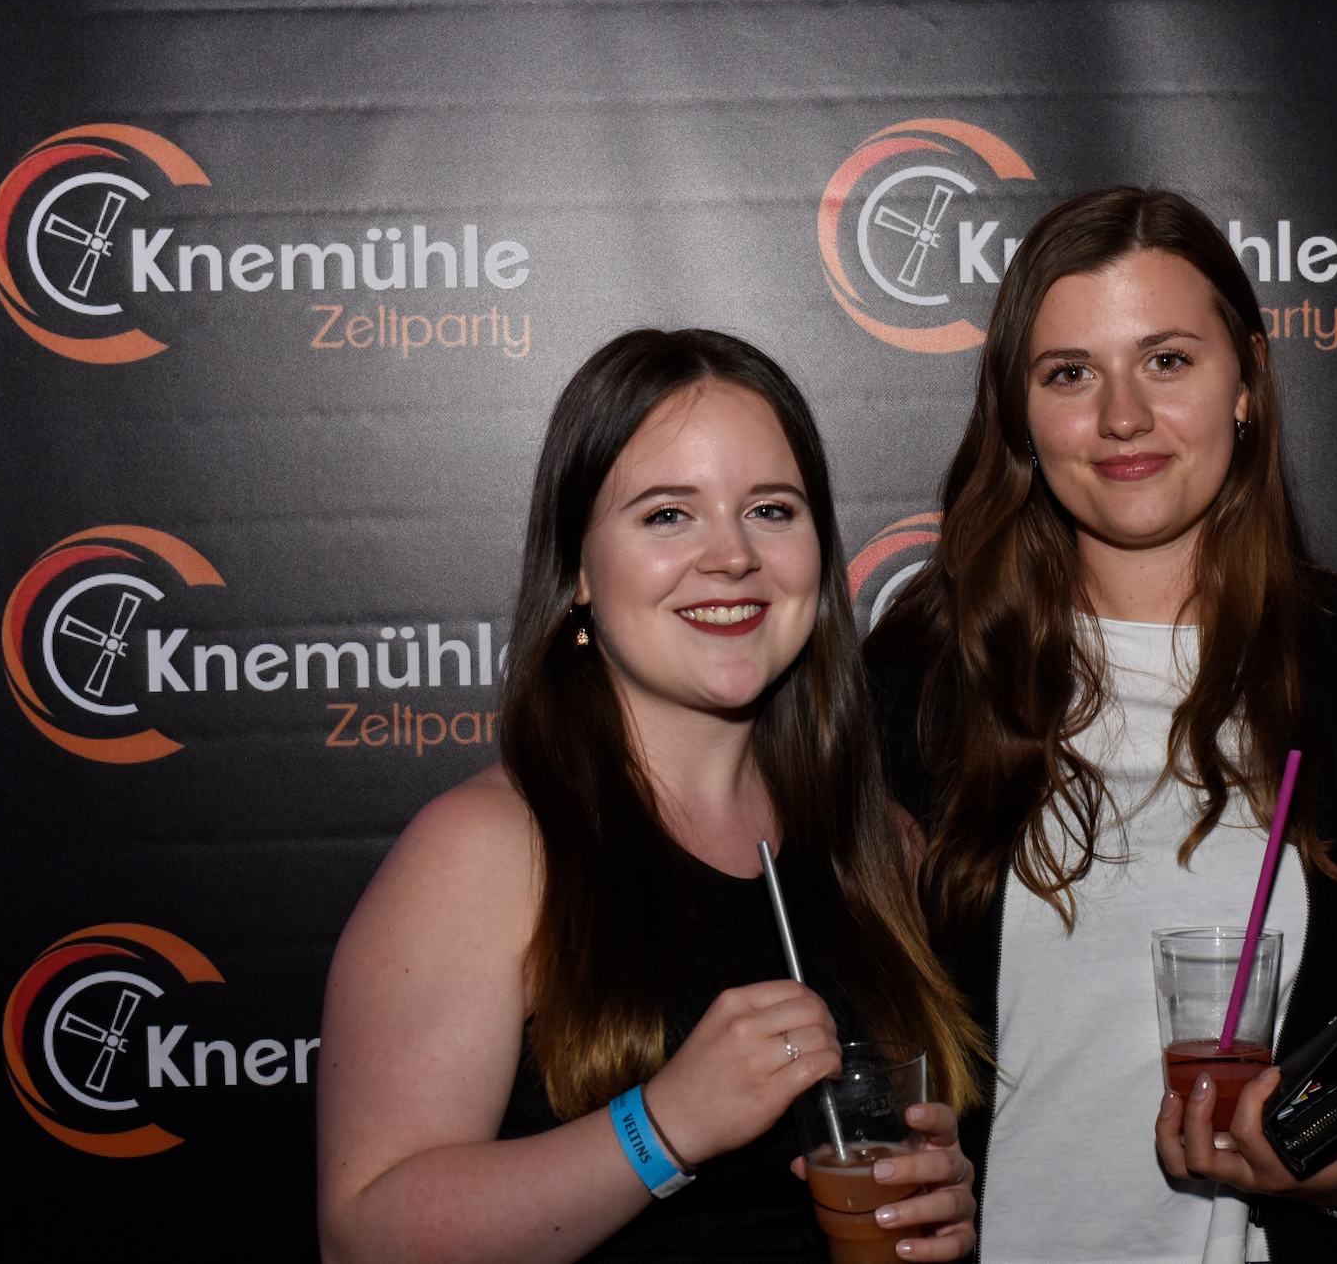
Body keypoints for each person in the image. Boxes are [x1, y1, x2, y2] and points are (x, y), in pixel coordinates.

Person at [864, 189, 1337, 1262]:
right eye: (1069, 373)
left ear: (1248, 382)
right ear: (1018, 416)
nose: (1122, 416)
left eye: (1167, 360)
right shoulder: (916, 685)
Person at [318, 329, 984, 1264]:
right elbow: (364, 1239)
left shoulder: (881, 844)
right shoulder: (493, 848)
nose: (732, 556)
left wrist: (939, 1200)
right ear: (579, 571)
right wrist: (662, 1125)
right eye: (668, 514)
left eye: (771, 509)